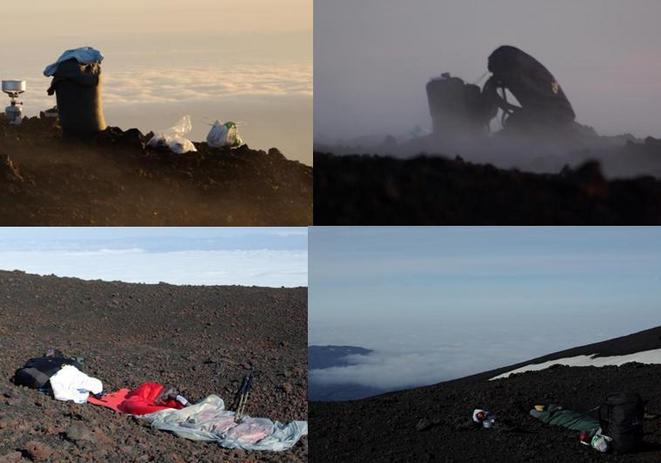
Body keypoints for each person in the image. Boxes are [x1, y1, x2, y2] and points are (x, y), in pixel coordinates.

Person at [482, 45, 576, 130]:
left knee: (514, 125)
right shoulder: (526, 68)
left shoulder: (518, 72)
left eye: (496, 71)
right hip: (558, 116)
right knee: (514, 123)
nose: (495, 75)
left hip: (555, 118)